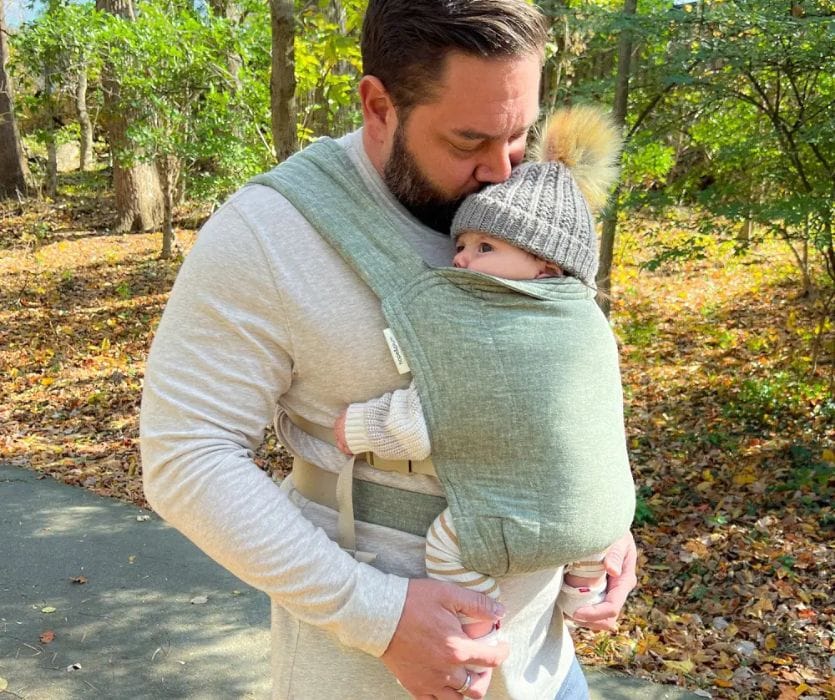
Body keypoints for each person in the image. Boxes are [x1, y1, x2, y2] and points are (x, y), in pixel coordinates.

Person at [139, 2, 638, 698]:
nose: (501, 172)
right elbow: (183, 454)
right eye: (467, 142)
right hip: (365, 674)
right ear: (378, 104)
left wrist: (597, 521)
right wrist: (376, 616)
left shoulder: (530, 204)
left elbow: (565, 376)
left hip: (545, 666)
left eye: (517, 135)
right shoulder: (268, 232)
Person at [330, 106, 632, 642]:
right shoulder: (587, 320)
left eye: (485, 248)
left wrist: (357, 427)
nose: (463, 260)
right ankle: (584, 590)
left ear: (545, 266)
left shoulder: (490, 328)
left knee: (451, 542)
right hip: (603, 515)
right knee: (582, 549)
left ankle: (477, 625)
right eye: (462, 246)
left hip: (520, 520)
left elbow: (437, 414)